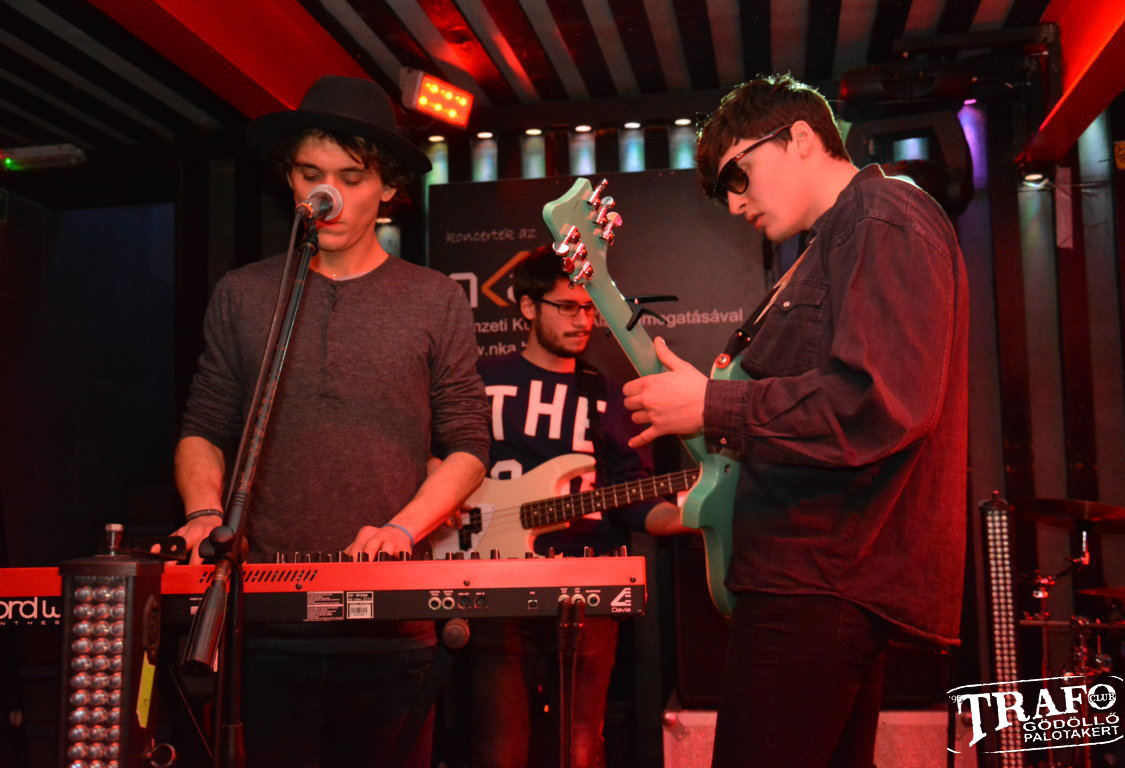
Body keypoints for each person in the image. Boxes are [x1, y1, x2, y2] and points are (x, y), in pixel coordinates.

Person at [620, 74, 969, 767]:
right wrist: (707, 409)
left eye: (737, 175)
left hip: (818, 579)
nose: (733, 202)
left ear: (801, 137)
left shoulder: (880, 216)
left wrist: (712, 405)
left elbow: (881, 405)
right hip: (815, 576)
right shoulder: (835, 239)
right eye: (722, 191)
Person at [169, 75, 489, 767]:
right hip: (259, 620)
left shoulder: (433, 299)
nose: (329, 193)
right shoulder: (244, 293)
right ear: (290, 180)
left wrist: (403, 529)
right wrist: (203, 513)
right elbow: (204, 424)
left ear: (388, 186)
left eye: (351, 176)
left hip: (389, 624)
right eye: (312, 174)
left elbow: (468, 444)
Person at [465, 246, 686, 768]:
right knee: (499, 749)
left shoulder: (608, 396)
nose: (583, 320)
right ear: (527, 306)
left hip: (588, 581)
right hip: (493, 578)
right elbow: (438, 459)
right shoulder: (478, 381)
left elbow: (633, 500)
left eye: (589, 308)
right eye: (567, 306)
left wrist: (689, 515)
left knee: (580, 747)